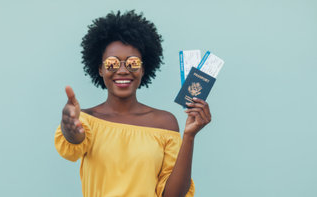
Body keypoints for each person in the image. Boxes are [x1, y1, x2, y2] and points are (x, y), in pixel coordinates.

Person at [54, 10, 211, 197]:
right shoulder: (86, 121)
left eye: (132, 63)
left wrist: (190, 136)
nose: (122, 70)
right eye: (112, 63)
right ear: (100, 69)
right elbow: (74, 140)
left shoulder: (164, 123)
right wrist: (68, 126)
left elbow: (172, 195)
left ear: (143, 69)